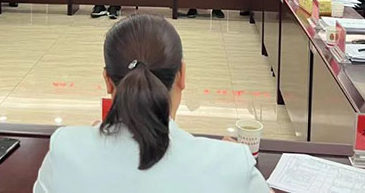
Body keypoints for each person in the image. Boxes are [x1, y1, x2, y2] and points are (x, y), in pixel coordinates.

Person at [33, 14, 270, 193]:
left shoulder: (64, 148)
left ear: (107, 80)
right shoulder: (232, 163)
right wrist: (230, 158)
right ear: (182, 76)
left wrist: (87, 141)